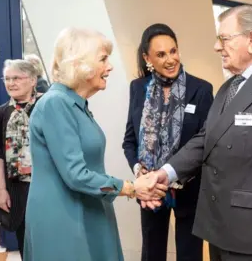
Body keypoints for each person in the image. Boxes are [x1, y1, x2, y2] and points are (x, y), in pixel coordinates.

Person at [147, 5, 252, 260]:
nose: (217, 47)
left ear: (251, 40)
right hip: (219, 226)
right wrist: (166, 172)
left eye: (224, 39)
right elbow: (206, 139)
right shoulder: (228, 88)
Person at [24, 27, 167, 261]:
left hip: (88, 209)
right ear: (80, 64)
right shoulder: (56, 104)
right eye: (103, 59)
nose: (109, 67)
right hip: (65, 218)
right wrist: (132, 188)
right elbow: (76, 175)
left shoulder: (75, 104)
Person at [122, 23, 213, 261]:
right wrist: (140, 173)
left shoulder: (201, 89)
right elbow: (129, 141)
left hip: (188, 187)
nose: (170, 59)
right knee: (152, 252)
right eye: (161, 54)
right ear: (147, 57)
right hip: (149, 188)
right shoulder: (138, 88)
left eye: (173, 51)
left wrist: (169, 173)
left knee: (189, 254)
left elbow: (205, 144)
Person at [0, 59, 43, 257]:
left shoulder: (46, 107)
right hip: (18, 189)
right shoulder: (0, 114)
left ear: (33, 80)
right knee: (25, 243)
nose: (11, 83)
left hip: (47, 186)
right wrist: (0, 190)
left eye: (17, 78)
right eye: (7, 79)